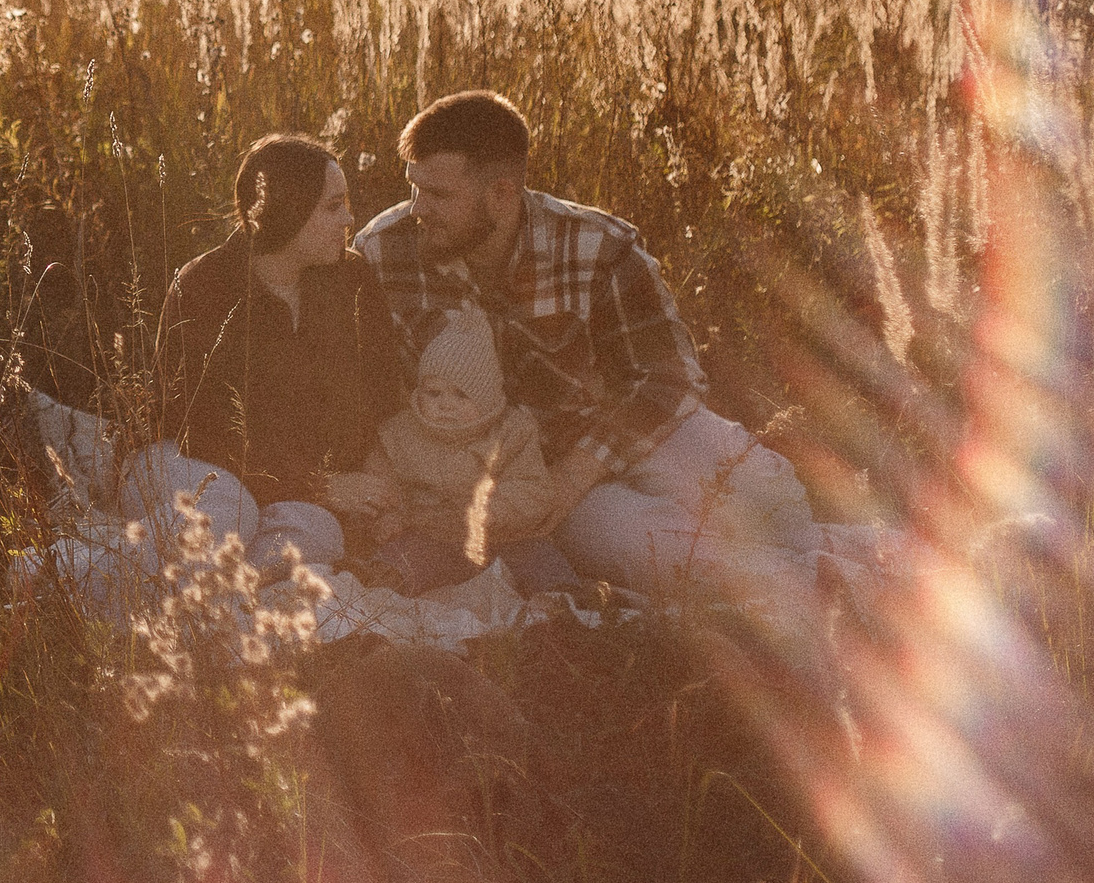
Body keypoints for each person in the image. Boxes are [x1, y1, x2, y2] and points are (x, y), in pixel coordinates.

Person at [353, 90, 840, 612]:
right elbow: (361, 384)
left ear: (501, 194)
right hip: (528, 477)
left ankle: (856, 561)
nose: (418, 210)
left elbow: (668, 376)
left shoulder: (596, 244)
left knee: (776, 503)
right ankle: (823, 591)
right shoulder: (384, 252)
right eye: (414, 190)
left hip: (619, 435)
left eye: (439, 196)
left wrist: (583, 468)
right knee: (644, 548)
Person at [149, 133, 407, 574]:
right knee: (230, 520)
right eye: (332, 206)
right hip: (196, 468)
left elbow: (382, 396)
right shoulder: (203, 287)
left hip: (290, 492)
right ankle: (62, 573)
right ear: (284, 211)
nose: (349, 218)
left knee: (319, 535)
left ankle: (215, 601)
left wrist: (382, 489)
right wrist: (319, 486)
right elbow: (202, 430)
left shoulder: (352, 280)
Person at [327, 300, 577, 595]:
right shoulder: (399, 433)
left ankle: (566, 595)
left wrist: (491, 508)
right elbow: (382, 482)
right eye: (434, 393)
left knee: (538, 556)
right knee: (403, 556)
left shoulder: (513, 432)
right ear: (418, 392)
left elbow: (534, 489)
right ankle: (377, 582)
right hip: (429, 535)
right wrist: (388, 516)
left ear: (486, 398)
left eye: (462, 395)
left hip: (500, 536)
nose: (446, 404)